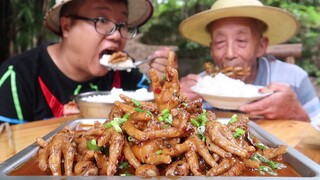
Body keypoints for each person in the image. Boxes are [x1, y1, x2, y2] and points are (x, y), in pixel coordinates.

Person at [0, 0, 173, 124]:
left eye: (122, 24)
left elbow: (152, 113)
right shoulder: (17, 77)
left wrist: (161, 82)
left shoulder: (124, 73)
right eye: (102, 20)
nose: (117, 35)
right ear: (66, 26)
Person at [179, 0, 320, 122]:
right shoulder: (200, 88)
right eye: (220, 42)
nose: (229, 54)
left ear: (261, 46)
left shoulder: (293, 78)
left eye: (241, 41)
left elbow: (316, 133)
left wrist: (297, 114)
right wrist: (176, 105)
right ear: (211, 49)